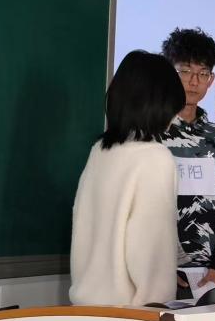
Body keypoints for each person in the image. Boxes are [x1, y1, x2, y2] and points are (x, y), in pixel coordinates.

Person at [69, 50, 185, 307]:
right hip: (132, 316)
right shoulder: (155, 158)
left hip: (86, 310)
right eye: (172, 108)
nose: (175, 118)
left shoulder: (100, 151)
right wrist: (158, 310)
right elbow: (150, 253)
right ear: (156, 103)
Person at [160, 28, 215, 294]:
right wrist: (156, 267)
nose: (194, 81)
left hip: (208, 275)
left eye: (203, 73)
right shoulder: (151, 131)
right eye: (185, 71)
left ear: (211, 79)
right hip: (158, 273)